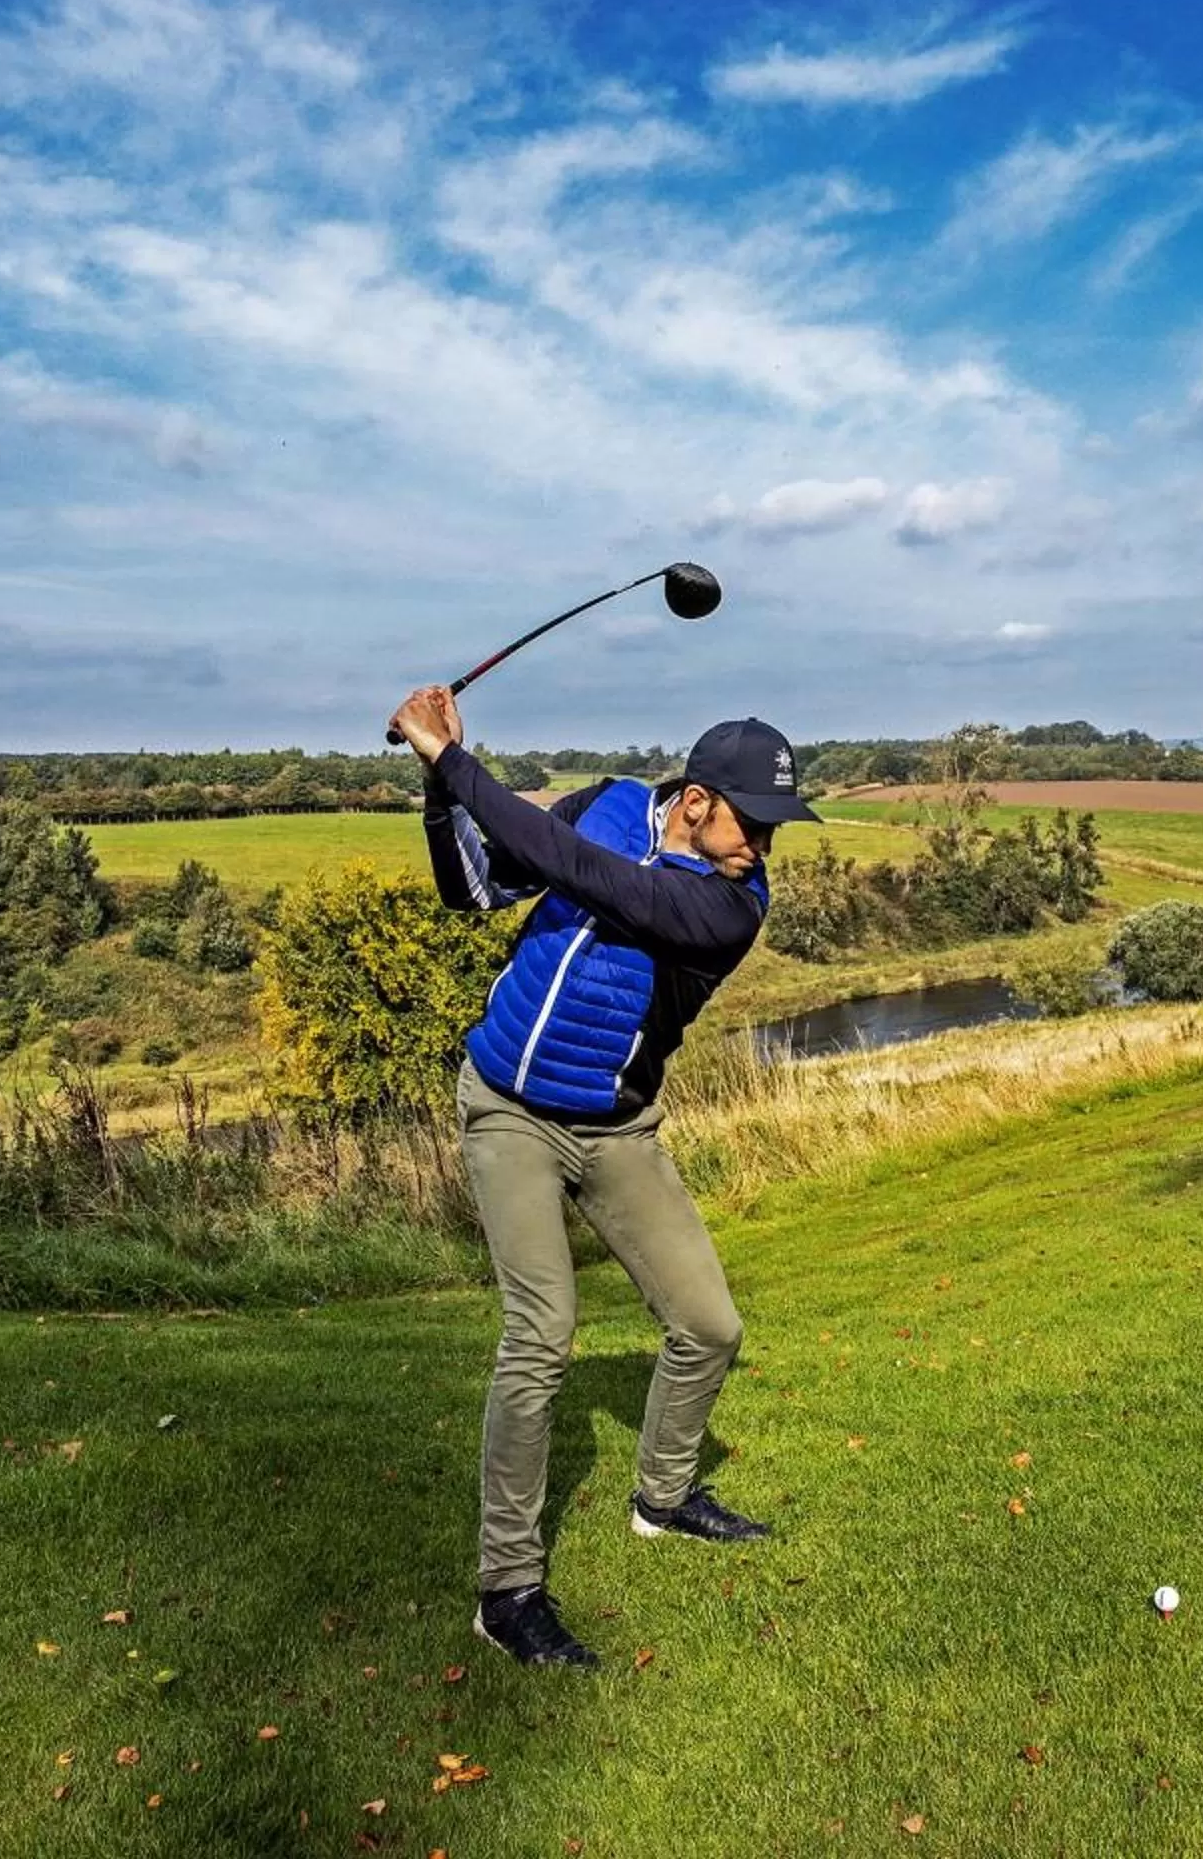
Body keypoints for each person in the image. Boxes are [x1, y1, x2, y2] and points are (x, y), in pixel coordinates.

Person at [388, 684, 821, 1670]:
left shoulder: (729, 906)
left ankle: (663, 1498)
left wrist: (453, 759)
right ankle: (508, 1590)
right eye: (756, 820)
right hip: (507, 1109)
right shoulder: (613, 798)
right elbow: (482, 885)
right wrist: (436, 791)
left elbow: (580, 872)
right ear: (699, 798)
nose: (767, 842)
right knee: (541, 1333)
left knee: (710, 1323)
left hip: (617, 1126)